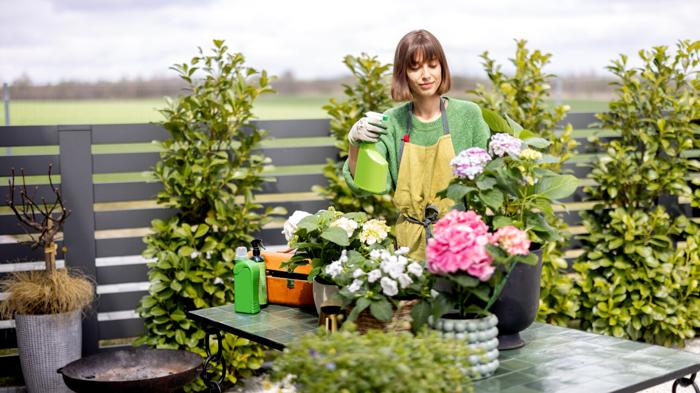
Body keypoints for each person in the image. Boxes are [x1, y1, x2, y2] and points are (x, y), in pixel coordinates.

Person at [343, 29, 490, 260]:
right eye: (415, 67)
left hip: (461, 244)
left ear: (442, 66)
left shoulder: (467, 116)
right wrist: (354, 144)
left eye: (432, 64)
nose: (426, 75)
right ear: (403, 73)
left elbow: (490, 181)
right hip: (409, 246)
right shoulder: (392, 122)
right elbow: (364, 187)